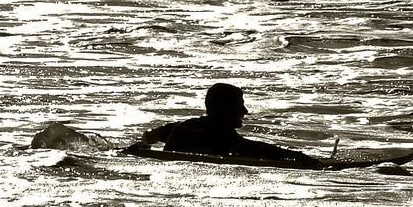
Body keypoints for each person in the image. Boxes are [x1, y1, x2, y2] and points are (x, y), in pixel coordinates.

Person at [131, 83, 320, 166]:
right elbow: (257, 149)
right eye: (240, 105)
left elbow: (151, 136)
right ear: (224, 109)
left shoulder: (183, 126)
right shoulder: (219, 135)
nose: (245, 111)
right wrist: (299, 157)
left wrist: (142, 146)